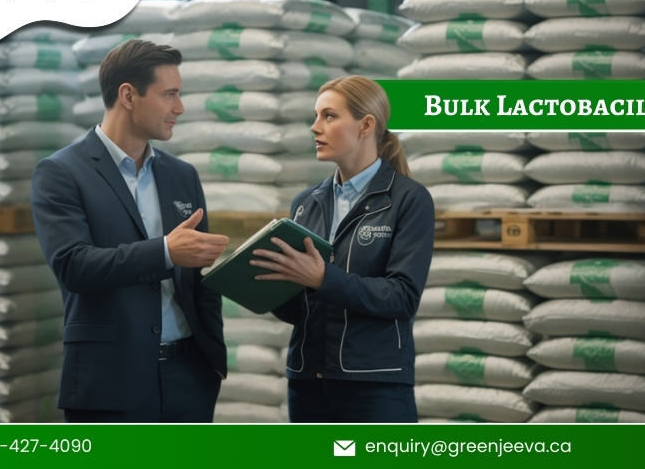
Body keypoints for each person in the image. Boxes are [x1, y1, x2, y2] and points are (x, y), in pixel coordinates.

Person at [30, 39, 230, 422]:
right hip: (109, 382)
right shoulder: (61, 172)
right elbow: (73, 266)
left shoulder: (182, 175)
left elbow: (199, 279)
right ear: (128, 95)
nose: (180, 107)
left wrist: (213, 358)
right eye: (169, 94)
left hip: (189, 378)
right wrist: (166, 251)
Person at [250, 75, 434, 423]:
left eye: (328, 116)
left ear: (366, 125)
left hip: (374, 388)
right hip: (307, 385)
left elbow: (403, 296)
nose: (314, 127)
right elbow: (301, 307)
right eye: (316, 116)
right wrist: (268, 283)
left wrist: (322, 278)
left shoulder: (408, 199)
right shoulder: (306, 203)